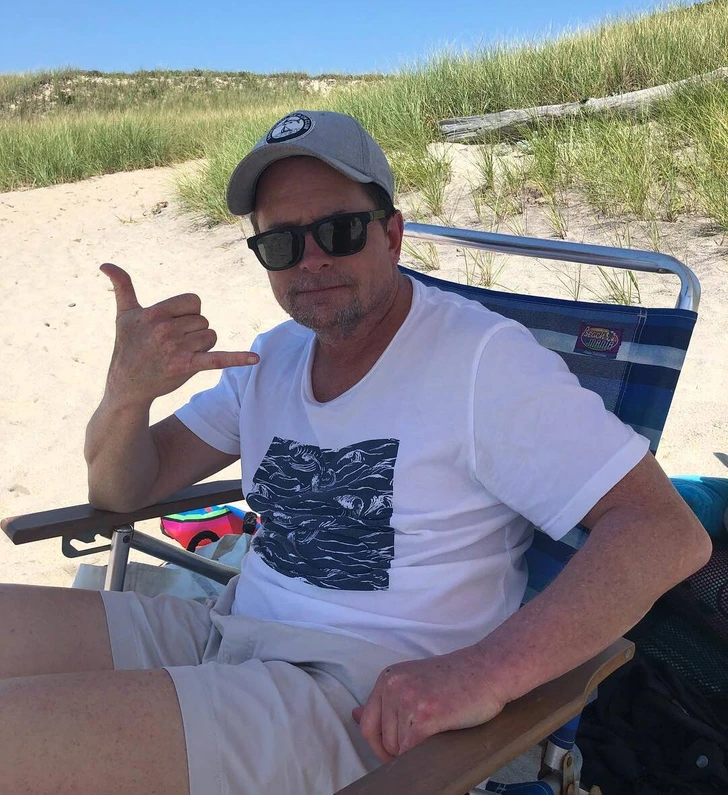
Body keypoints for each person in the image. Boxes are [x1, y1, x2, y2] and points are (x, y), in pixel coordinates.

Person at [0, 110, 711, 795]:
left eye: (339, 231)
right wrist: (126, 395)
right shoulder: (273, 356)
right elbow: (124, 489)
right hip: (227, 626)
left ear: (392, 235)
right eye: (281, 243)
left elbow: (664, 532)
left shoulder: (482, 362)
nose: (311, 260)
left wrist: (483, 673)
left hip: (355, 701)